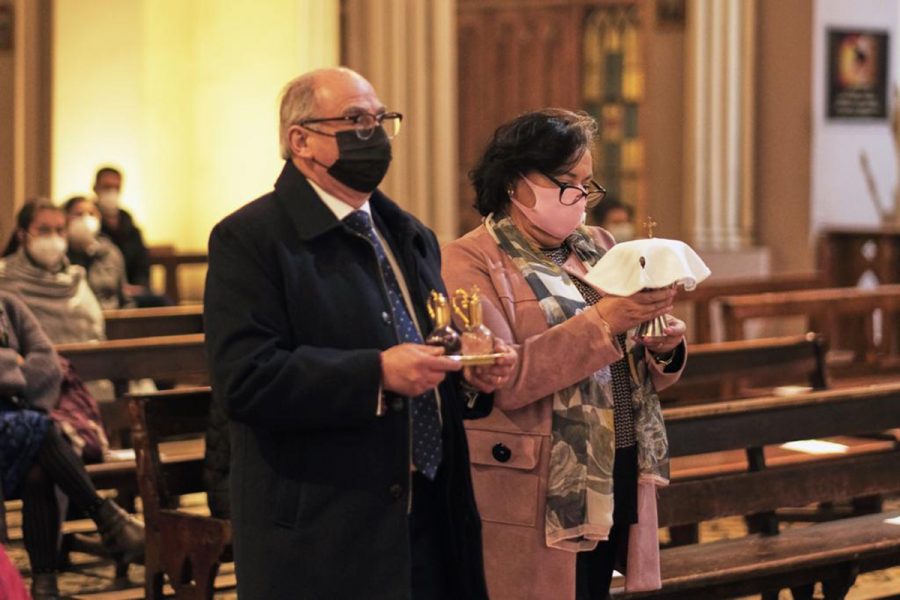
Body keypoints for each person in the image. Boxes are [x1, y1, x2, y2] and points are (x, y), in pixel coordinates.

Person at [203, 67, 516, 600]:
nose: (372, 133)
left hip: (430, 509)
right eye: (353, 119)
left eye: (380, 118)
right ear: (300, 140)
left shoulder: (408, 233)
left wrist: (468, 372)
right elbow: (246, 379)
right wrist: (376, 373)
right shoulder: (251, 238)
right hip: (325, 526)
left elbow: (430, 343)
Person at [442, 108, 687, 600]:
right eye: (567, 181)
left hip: (614, 460)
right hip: (538, 478)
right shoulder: (470, 260)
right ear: (515, 180)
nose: (580, 197)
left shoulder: (598, 246)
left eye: (587, 184)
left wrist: (663, 346)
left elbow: (632, 369)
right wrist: (607, 320)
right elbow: (504, 379)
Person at [0, 290, 143, 599]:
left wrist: (12, 376)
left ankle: (45, 587)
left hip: (16, 423)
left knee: (39, 470)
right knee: (43, 429)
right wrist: (15, 363)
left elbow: (48, 361)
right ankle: (108, 520)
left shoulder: (8, 303)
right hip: (17, 424)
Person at [0, 201, 104, 344]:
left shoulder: (76, 279)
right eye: (43, 230)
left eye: (60, 230)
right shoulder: (4, 279)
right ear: (22, 235)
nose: (53, 237)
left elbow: (95, 333)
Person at [64, 196, 132, 309]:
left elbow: (125, 299)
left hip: (112, 319)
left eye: (91, 214)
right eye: (79, 214)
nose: (86, 219)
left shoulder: (111, 252)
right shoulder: (60, 255)